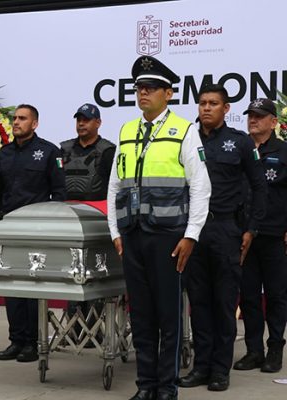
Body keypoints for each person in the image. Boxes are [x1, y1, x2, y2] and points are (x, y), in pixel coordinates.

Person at [107, 56, 211, 400]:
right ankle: (145, 386)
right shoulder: (126, 131)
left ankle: (167, 388)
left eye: (151, 88)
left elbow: (201, 187)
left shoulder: (184, 130)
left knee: (168, 316)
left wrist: (190, 236)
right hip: (133, 236)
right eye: (139, 88)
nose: (143, 93)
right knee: (141, 317)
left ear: (168, 94)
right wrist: (115, 232)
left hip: (168, 238)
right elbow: (115, 184)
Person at [179, 85, 267, 391]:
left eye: (213, 103)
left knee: (224, 302)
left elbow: (259, 187)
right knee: (199, 302)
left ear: (226, 108)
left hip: (226, 230)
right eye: (202, 103)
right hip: (193, 231)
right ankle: (201, 367)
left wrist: (251, 229)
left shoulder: (239, 142)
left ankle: (220, 369)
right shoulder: (187, 139)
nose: (206, 108)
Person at [0, 104, 66, 363]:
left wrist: (51, 227)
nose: (16, 122)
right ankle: (16, 340)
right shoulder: (4, 153)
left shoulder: (49, 152)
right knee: (10, 284)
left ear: (35, 124)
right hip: (8, 229)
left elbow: (59, 193)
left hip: (36, 229)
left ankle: (33, 342)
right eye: (15, 118)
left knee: (33, 286)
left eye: (22, 118)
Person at [233, 98, 287, 373]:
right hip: (243, 235)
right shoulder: (241, 150)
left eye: (259, 116)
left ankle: (275, 348)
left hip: (274, 234)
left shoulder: (284, 151)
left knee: (276, 295)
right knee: (249, 296)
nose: (253, 120)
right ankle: (254, 351)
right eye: (250, 115)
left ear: (273, 122)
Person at [60, 103, 115, 347]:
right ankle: (73, 330)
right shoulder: (64, 149)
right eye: (79, 119)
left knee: (95, 273)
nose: (81, 123)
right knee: (71, 273)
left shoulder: (108, 151)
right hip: (69, 218)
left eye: (87, 119)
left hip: (97, 218)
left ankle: (95, 330)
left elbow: (114, 186)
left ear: (98, 123)